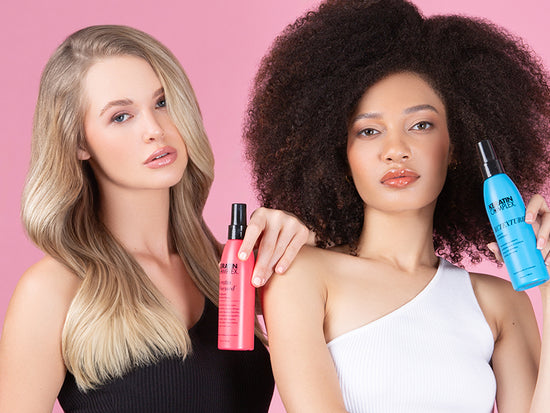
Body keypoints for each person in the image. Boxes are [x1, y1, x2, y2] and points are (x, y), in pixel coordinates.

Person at [243, 0, 550, 412]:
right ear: (341, 155)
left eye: (420, 125)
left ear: (455, 146)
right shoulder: (302, 275)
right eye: (369, 131)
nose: (395, 151)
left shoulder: (500, 301)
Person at [0, 25, 312, 412]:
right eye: (120, 117)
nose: (155, 130)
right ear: (79, 143)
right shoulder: (53, 292)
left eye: (162, 103)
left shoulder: (231, 271)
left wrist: (308, 247)